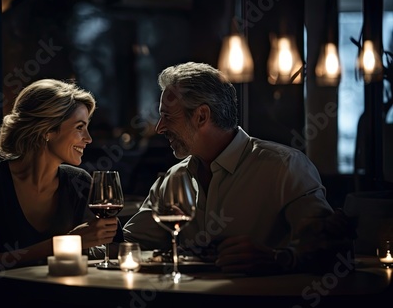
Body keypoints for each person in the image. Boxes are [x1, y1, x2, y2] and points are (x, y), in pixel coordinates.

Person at [123, 62, 355, 275]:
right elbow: (128, 244)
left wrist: (277, 259)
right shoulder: (174, 178)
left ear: (202, 116)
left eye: (167, 116)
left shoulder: (284, 167)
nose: (160, 127)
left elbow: (330, 250)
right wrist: (89, 237)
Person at [0, 79, 122, 275]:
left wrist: (98, 237)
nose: (88, 138)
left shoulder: (78, 181)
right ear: (47, 130)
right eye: (80, 127)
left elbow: (117, 250)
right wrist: (69, 242)